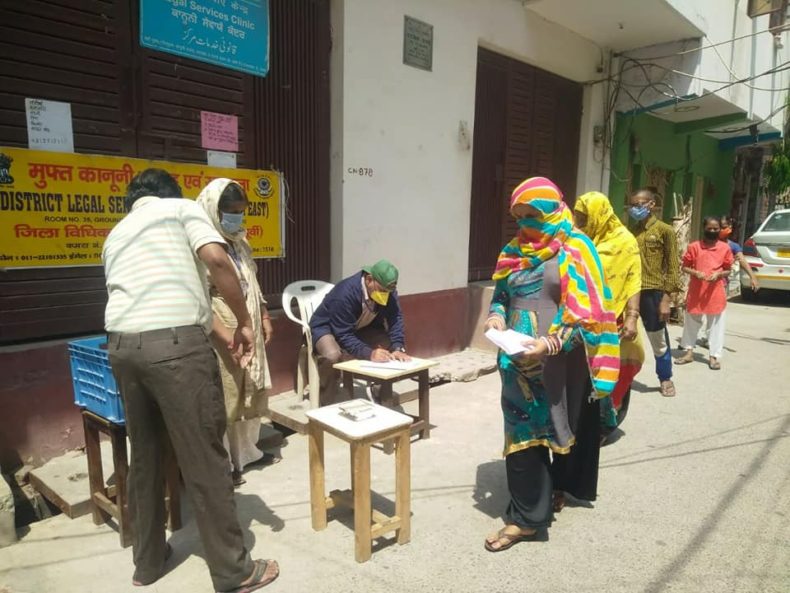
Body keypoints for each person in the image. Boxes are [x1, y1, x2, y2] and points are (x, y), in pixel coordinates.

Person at [102, 169, 279, 591]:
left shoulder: (116, 235)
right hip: (176, 353)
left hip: (124, 348)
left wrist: (226, 341)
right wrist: (243, 322)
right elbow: (218, 261)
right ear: (171, 194)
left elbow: (186, 307)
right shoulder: (179, 210)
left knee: (144, 458)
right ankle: (235, 572)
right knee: (204, 458)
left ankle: (147, 563)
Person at [483, 177, 619, 552]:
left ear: (554, 209)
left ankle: (557, 487)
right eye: (520, 216)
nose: (527, 223)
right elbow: (501, 297)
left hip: (559, 362)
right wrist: (496, 318)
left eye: (534, 214)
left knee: (561, 429)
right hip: (515, 362)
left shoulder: (576, 248)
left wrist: (550, 343)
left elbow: (587, 318)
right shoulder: (513, 250)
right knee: (522, 436)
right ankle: (528, 518)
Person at [197, 179, 279, 488]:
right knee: (227, 394)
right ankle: (225, 464)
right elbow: (201, 296)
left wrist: (265, 316)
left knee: (251, 386)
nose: (236, 218)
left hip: (249, 323)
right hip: (223, 328)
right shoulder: (203, 247)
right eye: (230, 212)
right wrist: (225, 334)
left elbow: (252, 284)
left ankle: (248, 453)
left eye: (240, 212)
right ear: (213, 211)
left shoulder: (240, 242)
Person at [573, 191, 644, 440]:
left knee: (610, 374)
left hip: (615, 320)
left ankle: (606, 424)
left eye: (583, 218)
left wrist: (632, 317)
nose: (578, 223)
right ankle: (584, 423)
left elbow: (634, 280)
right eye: (577, 217)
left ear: (599, 216)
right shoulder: (579, 240)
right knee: (584, 376)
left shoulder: (624, 242)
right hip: (582, 320)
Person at [309, 259, 410, 404]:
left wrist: (398, 346)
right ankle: (326, 400)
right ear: (369, 280)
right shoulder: (345, 294)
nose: (385, 295)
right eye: (382, 290)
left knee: (388, 344)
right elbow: (343, 334)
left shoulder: (387, 290)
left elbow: (395, 317)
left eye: (389, 292)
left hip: (359, 327)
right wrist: (369, 353)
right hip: (327, 328)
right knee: (332, 355)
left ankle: (379, 389)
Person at [628, 189, 682, 398]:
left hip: (653, 293)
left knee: (658, 338)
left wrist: (667, 299)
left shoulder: (664, 230)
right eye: (632, 205)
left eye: (638, 204)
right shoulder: (631, 231)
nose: (634, 209)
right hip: (631, 290)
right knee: (626, 334)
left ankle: (665, 377)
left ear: (651, 204)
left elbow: (673, 266)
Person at [676, 216, 734, 370]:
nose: (713, 231)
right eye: (710, 228)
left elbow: (728, 269)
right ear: (704, 228)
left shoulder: (725, 248)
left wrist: (719, 275)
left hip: (715, 293)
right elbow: (684, 266)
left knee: (715, 325)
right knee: (691, 322)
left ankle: (714, 356)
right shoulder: (694, 247)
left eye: (716, 229)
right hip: (697, 291)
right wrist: (696, 273)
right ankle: (688, 352)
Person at [700, 215, 759, 348]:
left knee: (715, 313)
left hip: (720, 284)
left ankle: (710, 338)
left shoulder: (732, 246)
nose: (728, 229)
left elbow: (742, 260)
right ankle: (690, 341)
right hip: (702, 283)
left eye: (729, 227)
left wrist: (753, 277)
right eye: (725, 227)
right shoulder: (705, 243)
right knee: (696, 313)